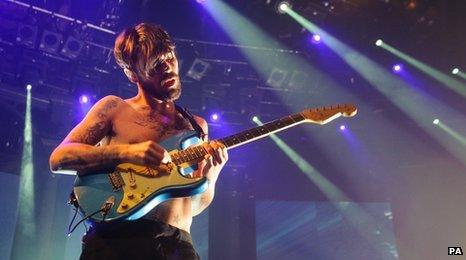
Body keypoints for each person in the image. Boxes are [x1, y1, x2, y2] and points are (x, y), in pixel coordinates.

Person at [49, 23, 228, 260]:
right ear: (132, 73)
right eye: (155, 64)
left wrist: (210, 177)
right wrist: (128, 153)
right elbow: (59, 158)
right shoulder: (114, 108)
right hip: (118, 241)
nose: (168, 68)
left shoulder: (196, 127)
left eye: (170, 59)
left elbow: (193, 207)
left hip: (178, 246)